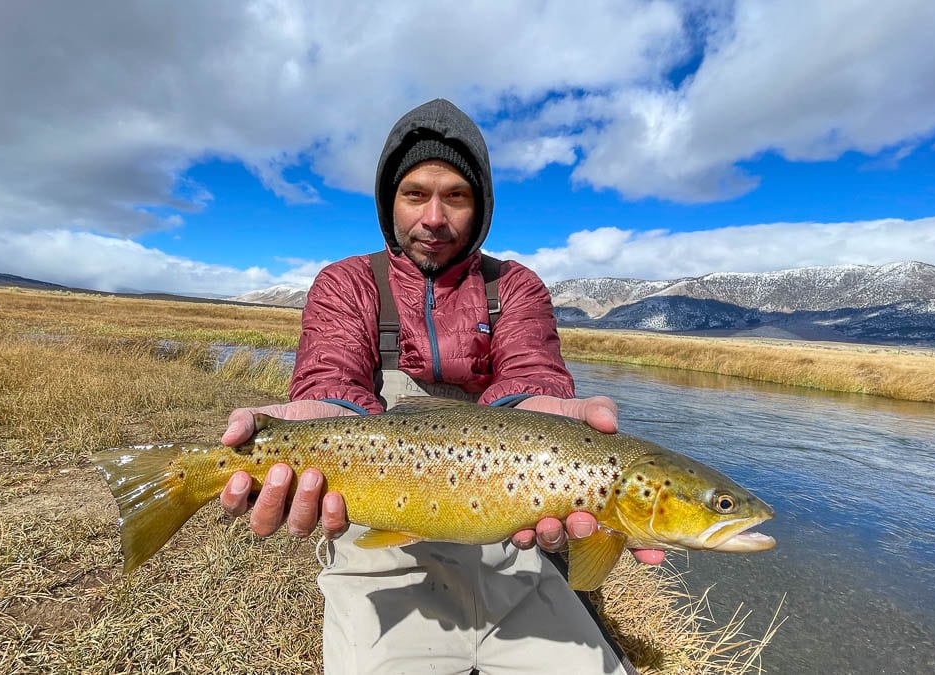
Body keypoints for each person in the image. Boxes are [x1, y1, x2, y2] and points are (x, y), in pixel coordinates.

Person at [219, 98, 662, 674]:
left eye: (456, 195)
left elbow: (531, 376)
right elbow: (329, 378)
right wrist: (316, 416)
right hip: (380, 549)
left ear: (480, 208)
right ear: (389, 204)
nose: (434, 216)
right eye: (415, 195)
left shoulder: (516, 287)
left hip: (511, 547)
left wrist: (542, 419)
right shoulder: (347, 282)